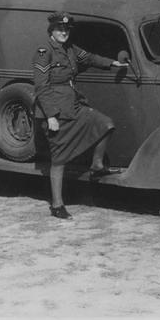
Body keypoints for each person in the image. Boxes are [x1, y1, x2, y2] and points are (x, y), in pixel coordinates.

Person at [32, 12, 128, 220]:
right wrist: (51, 116)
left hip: (73, 105)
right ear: (52, 31)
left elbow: (90, 58)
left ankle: (97, 165)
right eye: (60, 29)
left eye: (66, 30)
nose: (64, 32)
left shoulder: (70, 49)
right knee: (59, 159)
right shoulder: (44, 52)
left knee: (105, 124)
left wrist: (113, 64)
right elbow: (41, 86)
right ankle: (57, 205)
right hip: (55, 111)